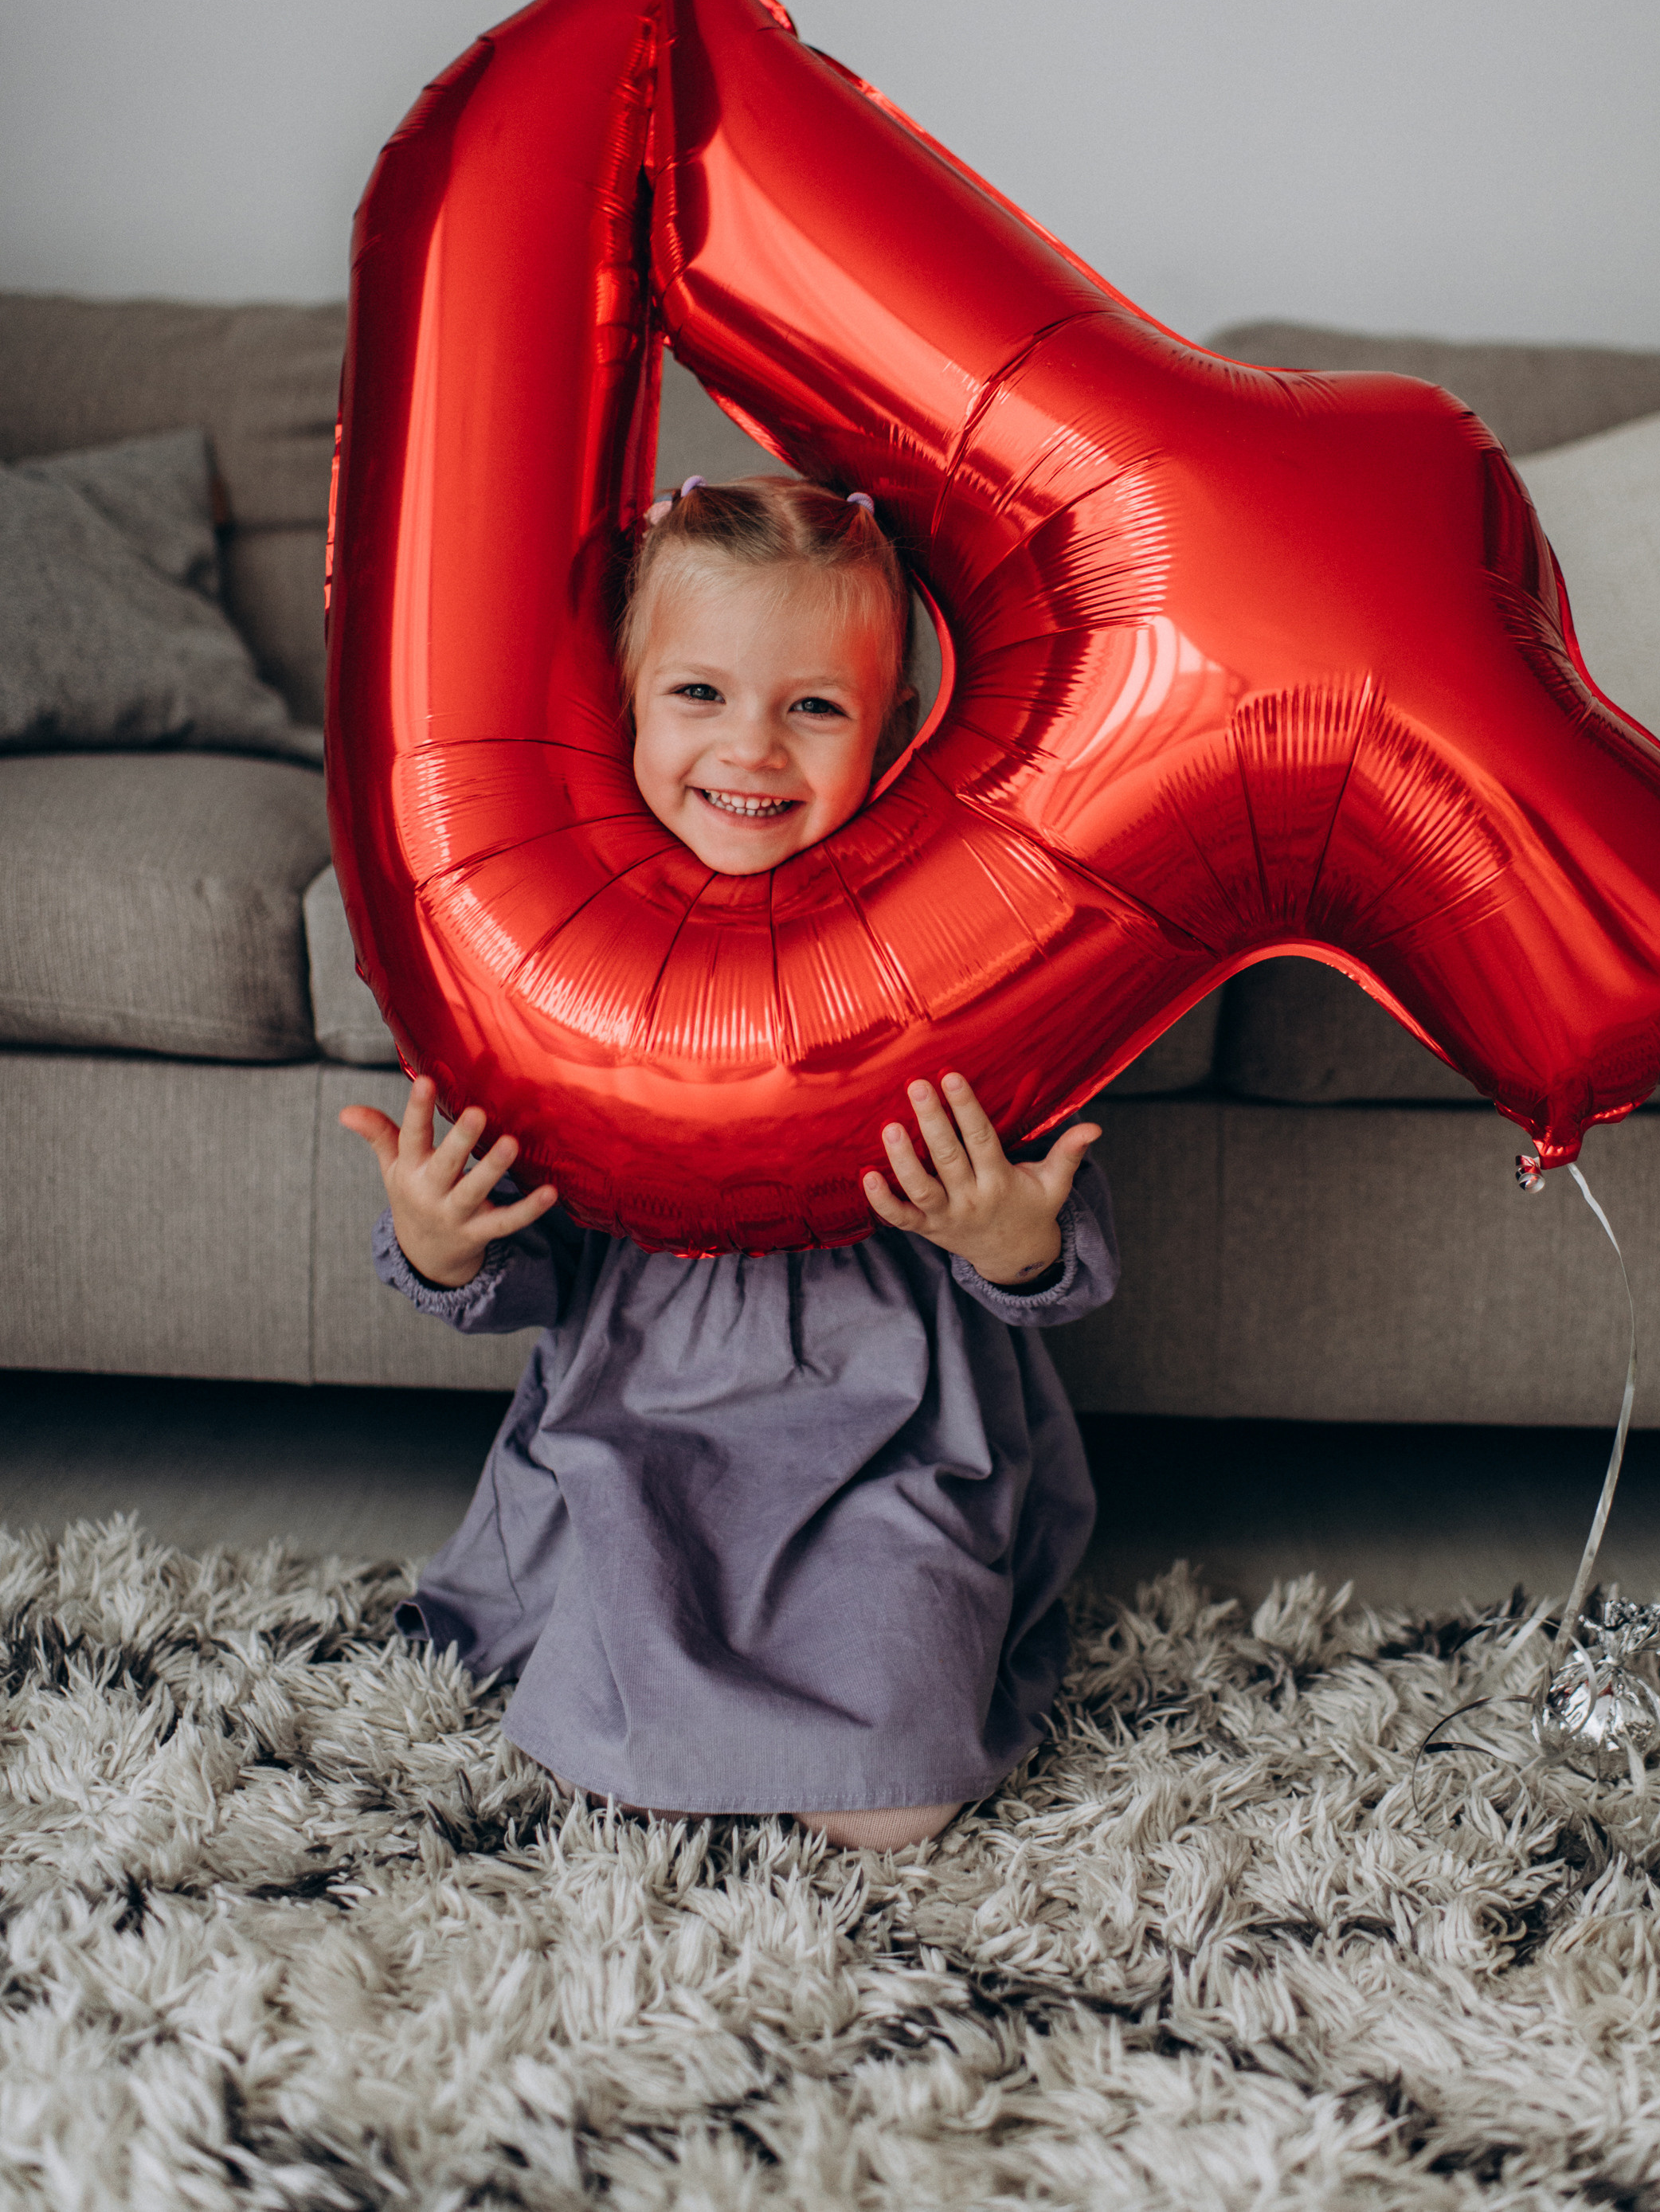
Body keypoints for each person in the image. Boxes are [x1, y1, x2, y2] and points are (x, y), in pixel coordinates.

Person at [343, 474, 1118, 1852]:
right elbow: (532, 1262)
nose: (751, 748)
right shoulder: (571, 955)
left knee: (898, 1811)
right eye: (698, 694)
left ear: (892, 733)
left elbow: (1058, 1234)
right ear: (622, 709)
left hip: (891, 1455)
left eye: (813, 707)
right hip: (646, 1444)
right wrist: (441, 1241)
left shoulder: (951, 944)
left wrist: (1011, 1240)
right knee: (623, 1766)